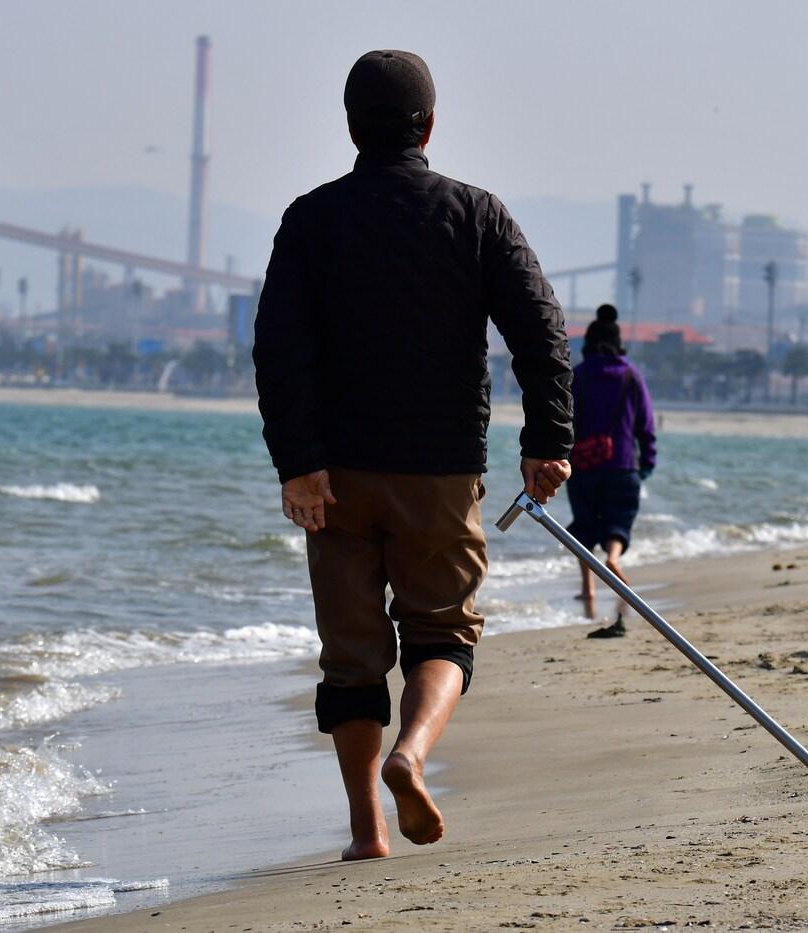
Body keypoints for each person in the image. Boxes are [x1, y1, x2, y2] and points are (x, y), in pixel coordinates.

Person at [253, 50, 573, 860]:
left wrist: (297, 459)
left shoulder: (311, 218)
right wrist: (548, 442)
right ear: (428, 125)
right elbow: (541, 331)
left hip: (336, 475)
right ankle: (413, 753)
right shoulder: (478, 214)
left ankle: (367, 833)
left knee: (352, 657)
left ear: (352, 127)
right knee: (442, 633)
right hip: (440, 471)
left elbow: (276, 346)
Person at [565, 305, 656, 638]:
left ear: (588, 342)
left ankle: (588, 589)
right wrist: (647, 462)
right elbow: (646, 424)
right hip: (622, 467)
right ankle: (614, 560)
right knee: (617, 527)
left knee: (584, 532)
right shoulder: (631, 375)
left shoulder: (578, 375)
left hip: (584, 467)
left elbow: (565, 422)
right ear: (618, 342)